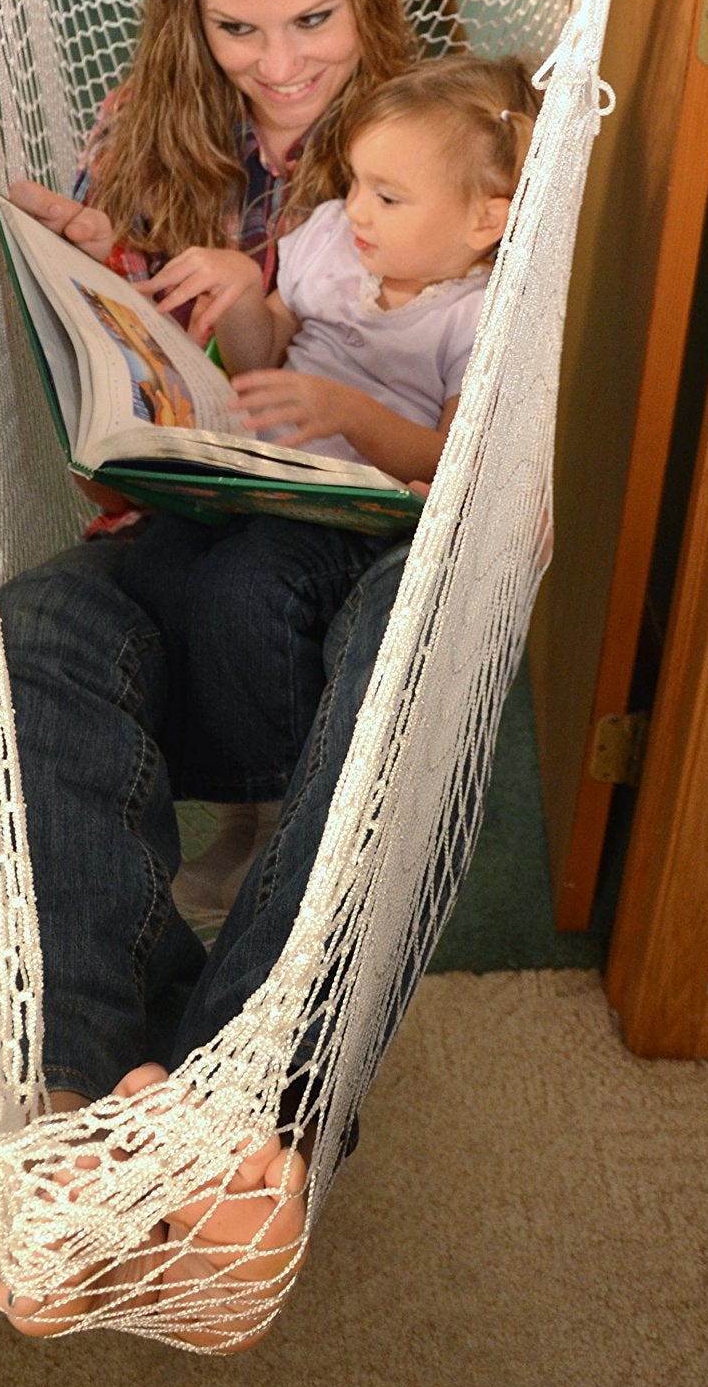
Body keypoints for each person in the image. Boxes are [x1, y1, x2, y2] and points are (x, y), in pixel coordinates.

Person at [0, 0, 417, 1332]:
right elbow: (125, 324)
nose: (278, 64)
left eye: (312, 20)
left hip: (345, 535)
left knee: (381, 656)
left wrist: (259, 331)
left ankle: (244, 1105)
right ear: (192, 11)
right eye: (238, 27)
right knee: (38, 622)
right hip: (184, 512)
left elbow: (436, 419)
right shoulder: (152, 119)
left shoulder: (426, 150)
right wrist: (93, 258)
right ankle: (83, 1097)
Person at [127, 56, 541, 822]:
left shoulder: (475, 315)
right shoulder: (334, 242)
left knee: (249, 586)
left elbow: (451, 460)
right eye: (354, 183)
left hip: (354, 515)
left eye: (387, 197)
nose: (355, 210)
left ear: (486, 219)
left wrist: (347, 412)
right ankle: (196, 775)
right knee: (153, 561)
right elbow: (266, 350)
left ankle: (267, 807)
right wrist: (248, 296)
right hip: (263, 471)